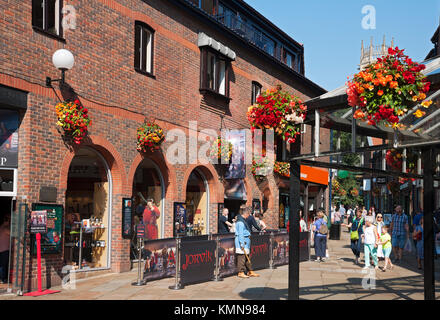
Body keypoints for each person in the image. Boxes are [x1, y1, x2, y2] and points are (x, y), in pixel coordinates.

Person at [235, 205, 259, 278]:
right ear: (245, 213)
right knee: (241, 258)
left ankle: (250, 271)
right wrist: (242, 244)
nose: (248, 216)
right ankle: (241, 272)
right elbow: (241, 234)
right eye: (248, 214)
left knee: (247, 257)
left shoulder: (243, 221)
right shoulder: (240, 222)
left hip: (246, 241)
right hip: (243, 242)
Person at [0, 214, 10, 284]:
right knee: (3, 265)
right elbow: (14, 233)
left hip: (2, 249)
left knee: (2, 265)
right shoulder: (5, 229)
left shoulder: (1, 228)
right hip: (4, 249)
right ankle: (2, 279)